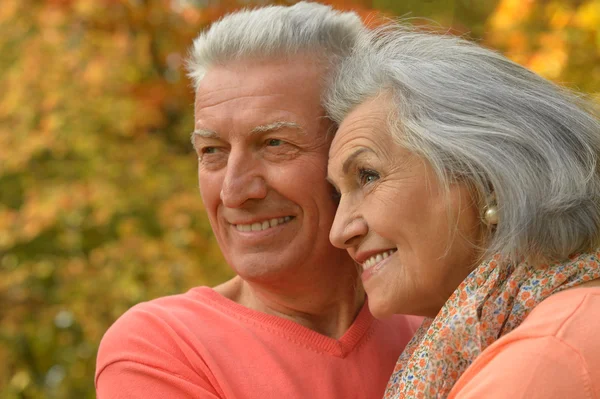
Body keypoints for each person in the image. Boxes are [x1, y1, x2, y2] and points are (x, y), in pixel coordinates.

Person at [95, 4, 422, 398]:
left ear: (356, 153)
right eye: (212, 151)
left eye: (274, 144)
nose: (234, 191)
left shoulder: (446, 317)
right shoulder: (162, 347)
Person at [325, 23, 600, 399]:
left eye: (368, 176)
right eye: (337, 195)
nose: (339, 231)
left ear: (488, 176)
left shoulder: (540, 362)